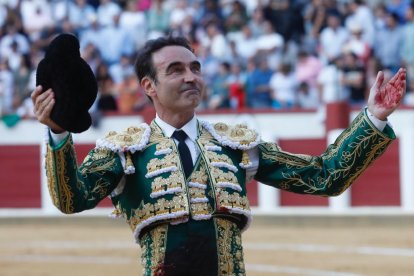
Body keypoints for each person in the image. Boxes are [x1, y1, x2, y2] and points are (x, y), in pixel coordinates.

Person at [31, 36, 406, 275]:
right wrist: (59, 132)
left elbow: (324, 176)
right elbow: (70, 198)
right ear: (149, 86)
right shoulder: (125, 149)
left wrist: (373, 117)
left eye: (195, 67)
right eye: (176, 70)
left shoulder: (235, 144)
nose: (191, 77)